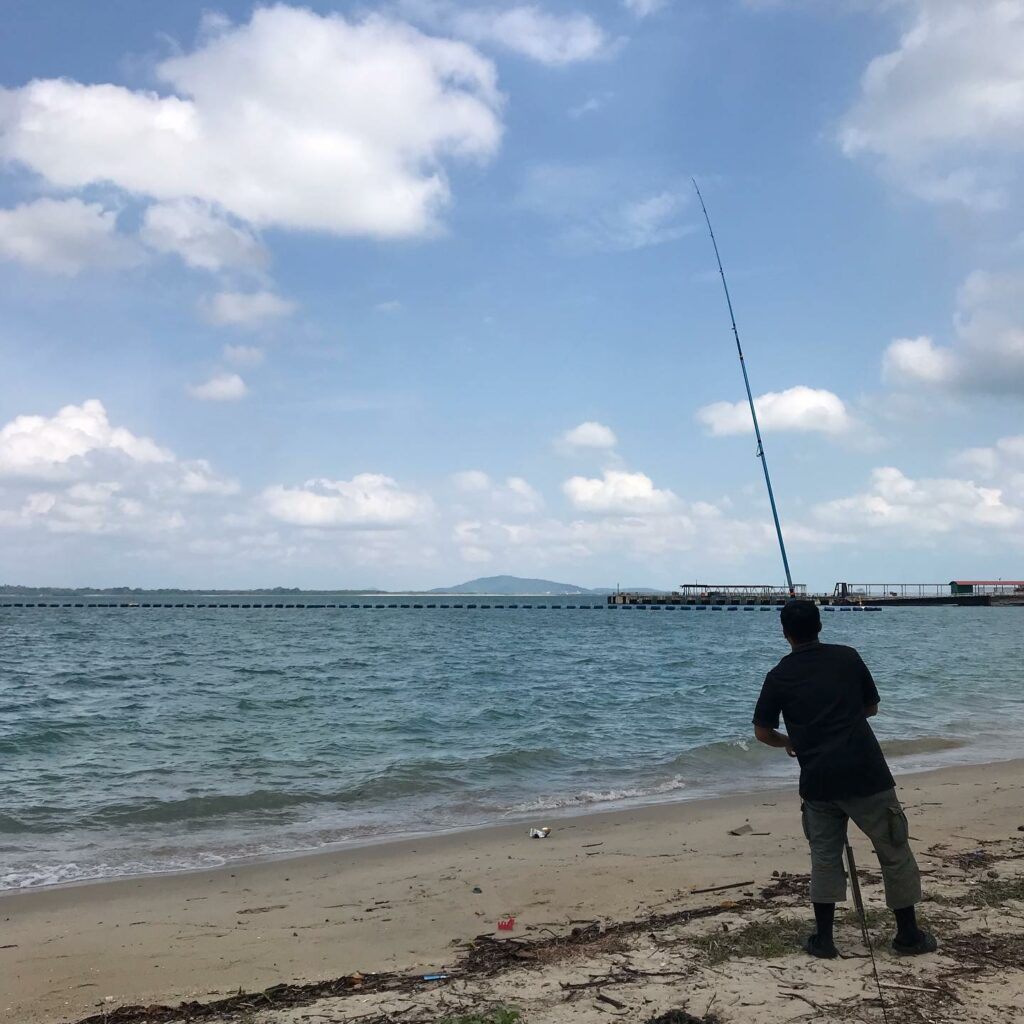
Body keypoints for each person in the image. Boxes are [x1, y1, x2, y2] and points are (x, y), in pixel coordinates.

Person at [752, 599, 937, 958]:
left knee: (824, 857)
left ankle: (824, 939)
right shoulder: (848, 658)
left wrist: (791, 742)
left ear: (784, 632)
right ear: (819, 626)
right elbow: (871, 708)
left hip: (818, 779)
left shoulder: (779, 675)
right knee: (894, 849)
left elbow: (763, 732)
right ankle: (908, 935)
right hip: (865, 772)